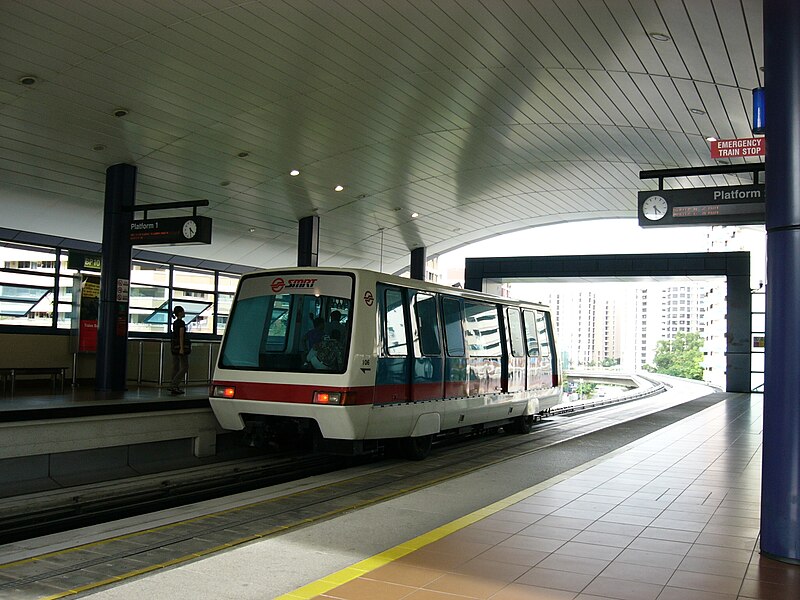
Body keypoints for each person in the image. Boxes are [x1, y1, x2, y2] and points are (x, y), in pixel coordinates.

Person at [169, 306, 191, 395]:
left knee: (176, 366)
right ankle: (174, 385)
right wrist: (182, 348)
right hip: (180, 347)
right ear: (180, 313)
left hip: (174, 347)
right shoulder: (181, 323)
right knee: (185, 367)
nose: (184, 313)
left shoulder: (175, 323)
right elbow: (181, 336)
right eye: (183, 311)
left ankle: (174, 386)